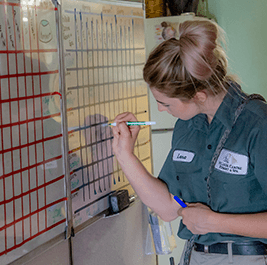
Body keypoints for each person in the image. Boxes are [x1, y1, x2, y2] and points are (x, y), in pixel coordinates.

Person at [112, 18, 267, 265]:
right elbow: (168, 208)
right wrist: (125, 155)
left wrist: (215, 222)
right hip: (196, 256)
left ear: (198, 95)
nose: (161, 111)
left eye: (166, 103)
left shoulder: (257, 123)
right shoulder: (187, 125)